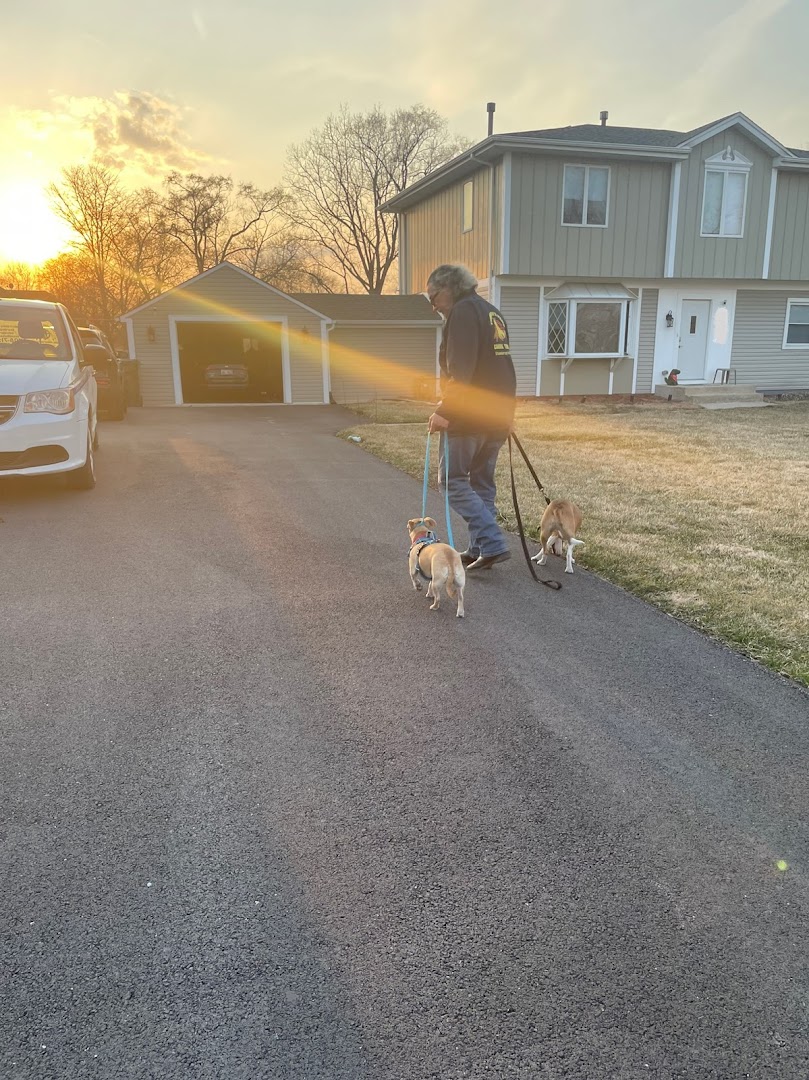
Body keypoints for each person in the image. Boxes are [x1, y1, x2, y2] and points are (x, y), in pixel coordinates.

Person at [425, 264, 517, 571]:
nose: (433, 304)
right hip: (498, 415)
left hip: (469, 418)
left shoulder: (462, 313)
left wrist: (445, 411)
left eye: (433, 296)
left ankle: (491, 542)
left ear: (449, 289)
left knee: (451, 481)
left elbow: (461, 372)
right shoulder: (492, 312)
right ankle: (482, 549)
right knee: (481, 483)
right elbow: (500, 368)